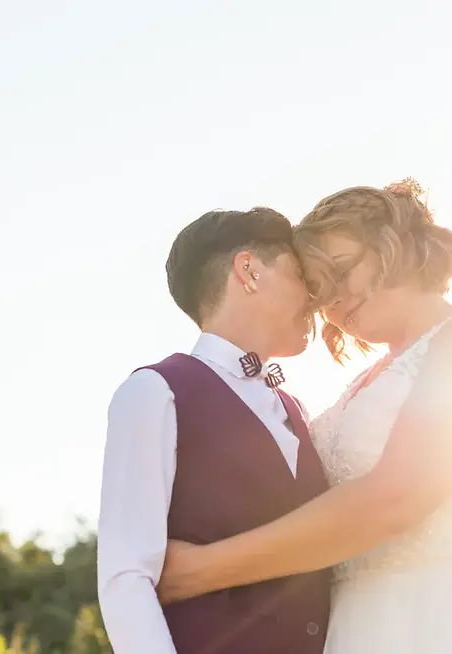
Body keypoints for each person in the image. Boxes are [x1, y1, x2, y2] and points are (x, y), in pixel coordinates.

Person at [156, 180, 452, 653]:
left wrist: (202, 570)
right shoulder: (356, 388)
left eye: (342, 271)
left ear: (393, 242)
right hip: (359, 631)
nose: (334, 302)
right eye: (320, 293)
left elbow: (398, 496)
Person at [97, 207, 333, 654]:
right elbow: (127, 576)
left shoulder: (295, 408)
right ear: (248, 270)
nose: (316, 295)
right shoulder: (155, 391)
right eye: (301, 274)